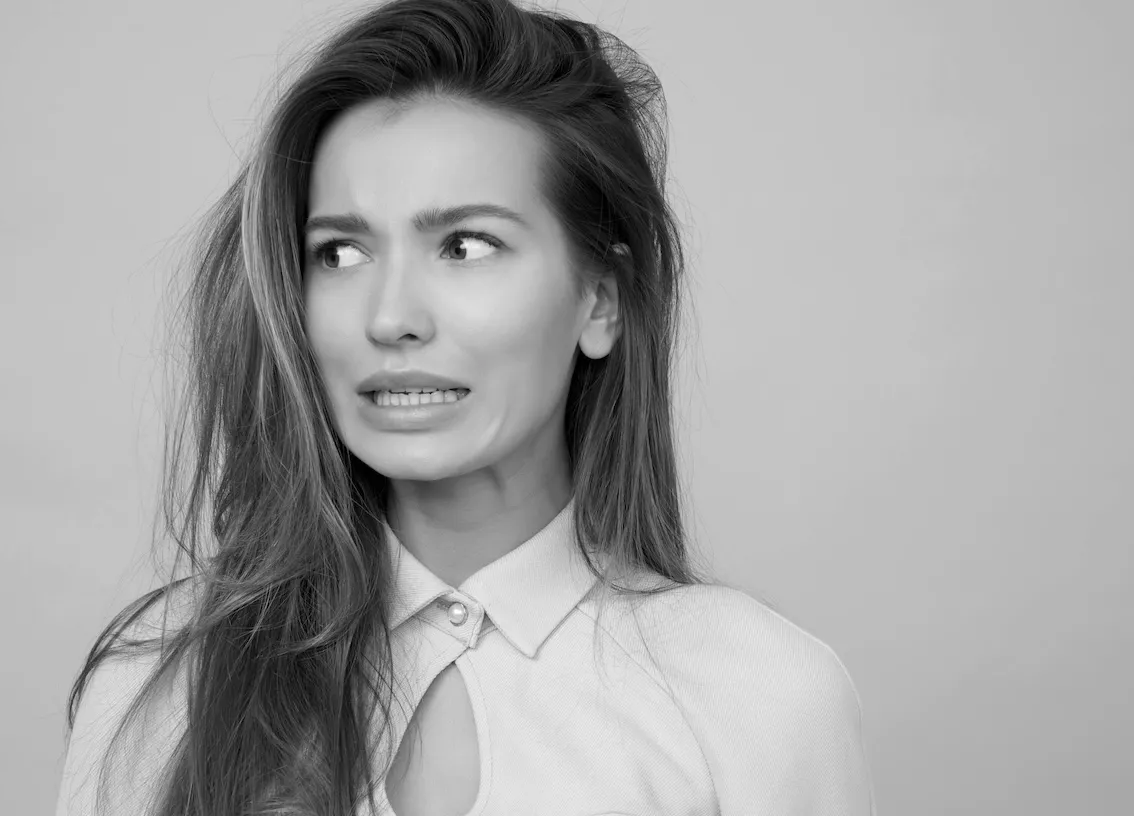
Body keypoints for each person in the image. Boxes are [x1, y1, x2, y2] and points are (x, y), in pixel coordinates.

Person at [54, 0, 876, 813]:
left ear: (601, 299)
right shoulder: (159, 687)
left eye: (465, 246)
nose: (389, 317)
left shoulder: (755, 695)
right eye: (339, 252)